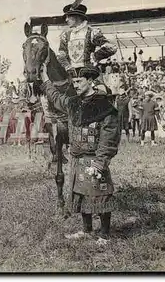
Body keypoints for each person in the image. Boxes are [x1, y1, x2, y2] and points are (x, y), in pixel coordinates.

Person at [39, 65, 120, 245]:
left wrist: (101, 162)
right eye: (73, 82)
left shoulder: (104, 106)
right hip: (78, 159)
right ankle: (87, 230)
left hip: (95, 158)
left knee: (100, 194)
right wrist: (45, 78)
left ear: (90, 81)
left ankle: (105, 234)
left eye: (79, 81)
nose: (75, 85)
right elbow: (56, 97)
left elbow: (109, 137)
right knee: (81, 193)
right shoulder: (73, 103)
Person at [56, 0, 117, 94]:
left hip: (91, 75)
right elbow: (61, 55)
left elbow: (112, 47)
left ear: (77, 17)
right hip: (72, 75)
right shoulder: (65, 35)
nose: (66, 19)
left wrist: (96, 57)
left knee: (102, 94)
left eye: (69, 17)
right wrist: (68, 66)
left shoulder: (92, 32)